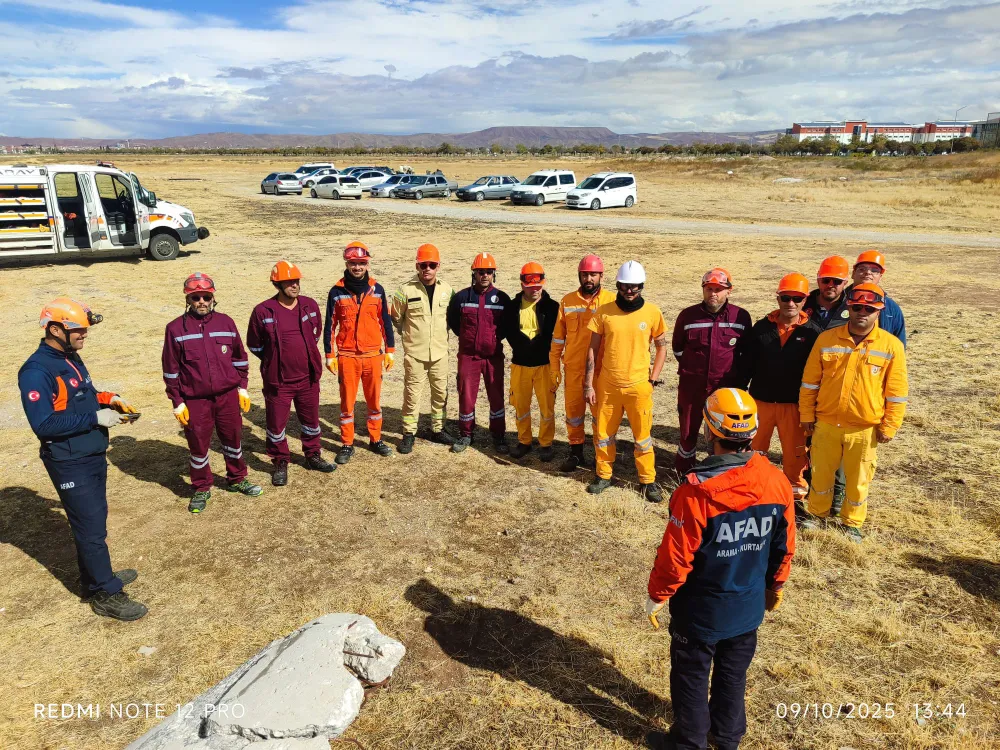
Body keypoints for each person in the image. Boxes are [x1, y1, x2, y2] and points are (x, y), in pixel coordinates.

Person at [645, 388, 795, 750]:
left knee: (691, 677)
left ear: (710, 431)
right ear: (754, 430)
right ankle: (727, 739)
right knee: (732, 674)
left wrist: (657, 595)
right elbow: (783, 545)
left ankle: (689, 742)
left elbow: (676, 557)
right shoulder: (777, 481)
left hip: (700, 612)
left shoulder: (696, 493)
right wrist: (775, 586)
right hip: (747, 608)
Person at [19, 299, 148, 621]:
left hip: (90, 453)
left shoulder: (69, 358)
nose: (84, 336)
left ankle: (96, 577)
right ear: (54, 329)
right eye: (78, 330)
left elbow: (82, 395)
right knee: (90, 528)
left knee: (95, 521)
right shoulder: (36, 371)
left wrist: (110, 400)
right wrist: (95, 418)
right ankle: (105, 592)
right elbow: (43, 424)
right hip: (69, 460)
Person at [798, 283, 908, 542]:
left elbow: (897, 392)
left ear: (879, 311)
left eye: (869, 308)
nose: (862, 312)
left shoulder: (891, 346)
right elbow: (810, 382)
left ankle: (852, 523)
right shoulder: (826, 339)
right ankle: (816, 514)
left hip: (864, 428)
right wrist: (806, 415)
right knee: (821, 472)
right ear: (849, 306)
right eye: (857, 307)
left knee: (859, 479)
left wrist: (890, 426)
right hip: (825, 423)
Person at [163, 273, 263, 513]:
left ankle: (237, 479)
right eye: (195, 297)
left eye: (206, 297)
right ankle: (201, 487)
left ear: (212, 297)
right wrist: (177, 402)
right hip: (195, 400)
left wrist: (242, 388)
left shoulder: (226, 323)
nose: (201, 301)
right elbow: (171, 369)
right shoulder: (175, 328)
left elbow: (240, 358)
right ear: (188, 299)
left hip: (227, 396)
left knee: (233, 439)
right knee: (198, 445)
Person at [584, 261, 668, 502]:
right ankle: (603, 475)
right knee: (603, 434)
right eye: (624, 286)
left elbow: (662, 347)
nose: (629, 291)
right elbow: (592, 349)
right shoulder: (604, 312)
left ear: (642, 286)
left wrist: (652, 379)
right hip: (607, 386)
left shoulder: (652, 312)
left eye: (635, 287)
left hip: (639, 387)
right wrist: (589, 384)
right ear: (618, 285)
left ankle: (647, 480)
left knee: (643, 437)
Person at [247, 260, 335, 486]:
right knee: (276, 426)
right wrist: (274, 359)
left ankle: (313, 454)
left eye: (296, 281)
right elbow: (255, 345)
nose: (295, 285)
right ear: (277, 284)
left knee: (311, 421)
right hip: (279, 382)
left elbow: (316, 333)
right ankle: (280, 461)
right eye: (289, 282)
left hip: (308, 378)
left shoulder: (309, 305)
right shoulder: (263, 311)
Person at [744, 273, 823, 501]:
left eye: (797, 299)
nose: (791, 303)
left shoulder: (813, 333)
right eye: (785, 298)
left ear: (805, 300)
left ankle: (794, 497)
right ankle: (754, 490)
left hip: (795, 406)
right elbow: (746, 365)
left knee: (795, 455)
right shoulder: (761, 328)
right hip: (761, 403)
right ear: (777, 298)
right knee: (755, 451)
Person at [671, 268, 752, 474]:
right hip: (692, 387)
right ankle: (684, 475)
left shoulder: (741, 317)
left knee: (724, 434)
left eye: (718, 289)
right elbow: (678, 349)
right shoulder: (688, 316)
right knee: (688, 433)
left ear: (728, 291)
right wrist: (694, 369)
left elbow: (745, 353)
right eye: (709, 288)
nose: (713, 293)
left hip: (725, 389)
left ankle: (720, 474)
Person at [324, 241, 395, 463]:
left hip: (373, 355)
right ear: (347, 263)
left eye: (362, 263)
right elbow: (330, 325)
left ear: (367, 264)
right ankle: (347, 443)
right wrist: (329, 355)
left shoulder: (378, 289)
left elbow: (386, 321)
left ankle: (375, 439)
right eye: (353, 263)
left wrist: (390, 350)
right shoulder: (336, 291)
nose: (357, 268)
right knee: (347, 404)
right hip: (347, 356)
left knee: (374, 402)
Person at [549, 254, 616, 472]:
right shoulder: (567, 301)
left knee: (600, 416)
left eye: (593, 274)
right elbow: (558, 339)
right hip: (574, 370)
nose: (589, 278)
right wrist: (554, 367)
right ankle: (576, 452)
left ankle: (600, 456)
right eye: (585, 274)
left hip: (601, 371)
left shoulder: (611, 301)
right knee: (574, 414)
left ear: (601, 276)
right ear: (579, 275)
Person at [391, 243, 456, 453]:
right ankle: (409, 433)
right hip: (415, 354)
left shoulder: (447, 290)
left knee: (440, 394)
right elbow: (396, 318)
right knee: (412, 395)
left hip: (439, 353)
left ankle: (438, 429)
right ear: (417, 266)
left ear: (438, 266)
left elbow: (452, 318)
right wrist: (411, 337)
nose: (427, 269)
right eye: (423, 265)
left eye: (432, 265)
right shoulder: (404, 290)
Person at [447, 252, 511, 453]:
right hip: (468, 357)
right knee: (466, 396)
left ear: (494, 274)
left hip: (493, 358)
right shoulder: (461, 298)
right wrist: (470, 341)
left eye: (489, 272)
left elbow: (506, 327)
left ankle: (498, 435)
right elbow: (455, 323)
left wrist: (491, 340)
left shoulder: (502, 298)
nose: (484, 275)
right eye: (480, 272)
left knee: (496, 396)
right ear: (473, 273)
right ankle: (466, 434)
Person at [502, 261, 559, 460]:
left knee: (546, 407)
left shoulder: (553, 308)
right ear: (522, 284)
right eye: (530, 286)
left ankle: (546, 444)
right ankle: (524, 441)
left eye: (538, 286)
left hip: (545, 365)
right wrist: (520, 346)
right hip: (520, 365)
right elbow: (508, 332)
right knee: (521, 406)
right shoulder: (511, 307)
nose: (535, 290)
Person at [850, 250, 906, 346]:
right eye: (862, 269)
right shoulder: (838, 301)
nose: (868, 273)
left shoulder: (891, 309)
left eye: (874, 270)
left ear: (880, 276)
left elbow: (899, 345)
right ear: (853, 273)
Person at [802, 255, 850, 330]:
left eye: (837, 281)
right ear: (818, 280)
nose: (830, 285)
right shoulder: (802, 303)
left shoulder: (853, 307)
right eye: (826, 280)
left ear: (845, 282)